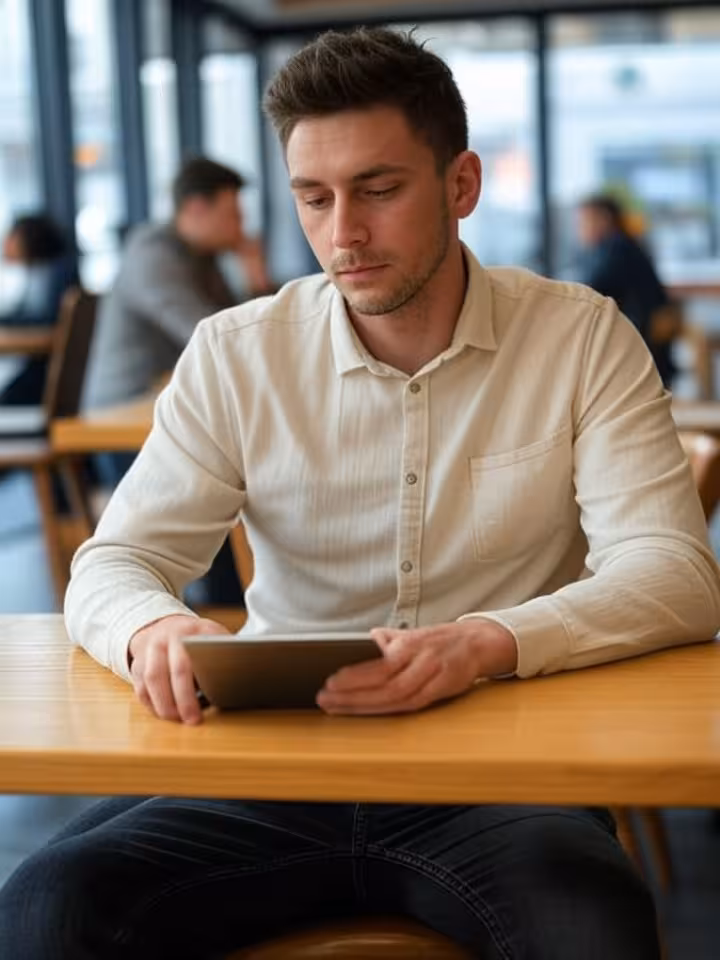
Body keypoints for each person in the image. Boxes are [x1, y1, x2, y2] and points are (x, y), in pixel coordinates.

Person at [1, 26, 718, 960]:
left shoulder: (580, 339)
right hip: (274, 767)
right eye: (314, 198)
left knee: (590, 926)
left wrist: (486, 642)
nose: (343, 233)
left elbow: (675, 574)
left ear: (461, 184)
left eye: (379, 190)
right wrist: (150, 628)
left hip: (499, 778)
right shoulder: (236, 353)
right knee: (44, 910)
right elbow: (116, 561)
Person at [82, 154, 270, 484]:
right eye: (233, 214)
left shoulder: (202, 256)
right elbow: (213, 338)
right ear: (197, 208)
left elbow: (246, 333)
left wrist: (256, 279)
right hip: (121, 421)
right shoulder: (152, 257)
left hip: (163, 409)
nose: (242, 226)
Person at [576, 193, 676, 387]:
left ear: (603, 219)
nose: (579, 229)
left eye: (583, 221)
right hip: (640, 334)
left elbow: (593, 290)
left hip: (639, 338)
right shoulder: (620, 244)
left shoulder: (617, 247)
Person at [0, 213, 78, 406]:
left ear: (28, 238)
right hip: (44, 379)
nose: (5, 243)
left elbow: (45, 321)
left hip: (42, 383)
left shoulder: (54, 274)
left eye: (10, 236)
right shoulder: (53, 271)